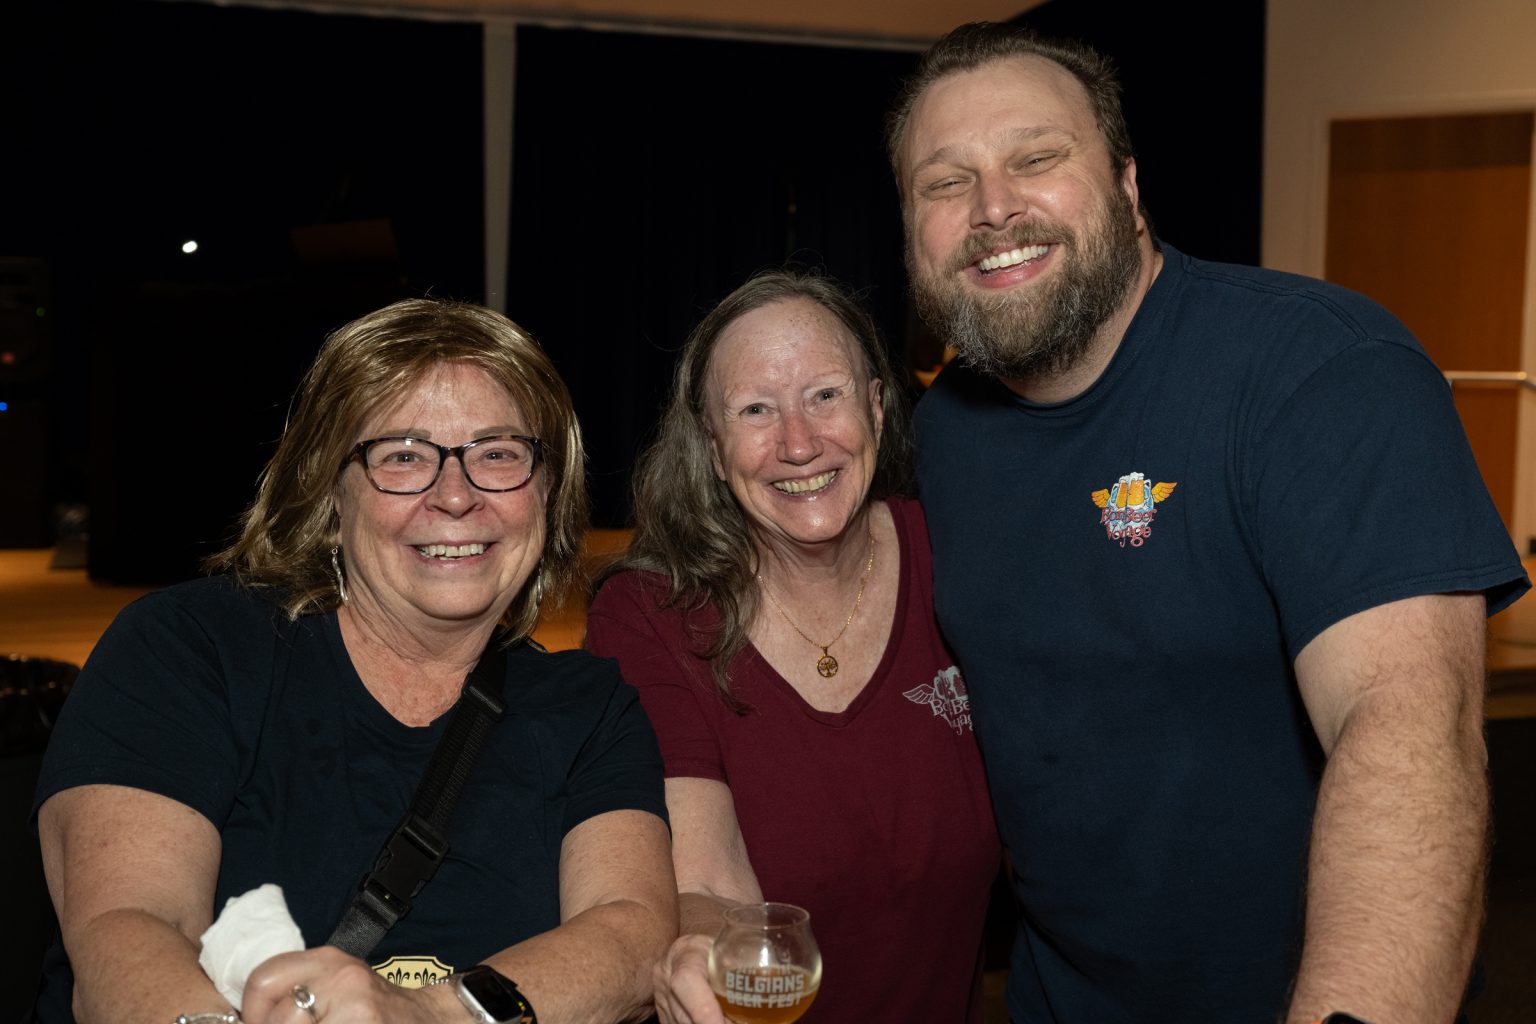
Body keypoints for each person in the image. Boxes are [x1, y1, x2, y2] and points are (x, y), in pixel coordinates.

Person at [888, 21, 1531, 1024]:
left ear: (1128, 184)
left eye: (1036, 158)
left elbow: (1406, 729)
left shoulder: (1322, 370)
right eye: (944, 181)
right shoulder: (944, 433)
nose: (992, 207)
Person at [32, 299, 676, 1024]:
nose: (456, 495)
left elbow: (630, 935)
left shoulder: (590, 707)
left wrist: (429, 1015)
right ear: (330, 494)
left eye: (498, 454)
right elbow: (131, 930)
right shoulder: (188, 650)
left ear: (548, 491)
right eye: (403, 456)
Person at [585, 271, 1000, 1024]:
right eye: (756, 409)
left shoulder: (962, 559)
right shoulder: (652, 617)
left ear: (878, 407)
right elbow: (707, 882)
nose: (800, 444)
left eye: (825, 395)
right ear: (713, 447)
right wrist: (712, 959)